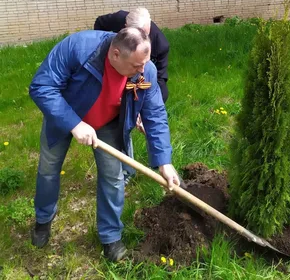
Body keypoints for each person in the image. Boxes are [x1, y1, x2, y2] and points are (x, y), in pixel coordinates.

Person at [29, 27, 180, 262]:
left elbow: (155, 114)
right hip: (64, 115)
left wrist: (164, 161)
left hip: (108, 122)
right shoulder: (79, 48)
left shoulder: (144, 70)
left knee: (113, 177)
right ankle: (43, 218)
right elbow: (41, 86)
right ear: (116, 54)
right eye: (136, 66)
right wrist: (74, 123)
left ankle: (110, 237)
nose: (143, 71)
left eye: (145, 64)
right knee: (48, 170)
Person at [94, 8, 169, 103]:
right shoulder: (117, 19)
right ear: (125, 26)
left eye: (144, 34)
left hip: (137, 77)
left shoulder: (160, 45)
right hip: (115, 62)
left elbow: (160, 78)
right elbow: (99, 24)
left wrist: (144, 105)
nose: (140, 40)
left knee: (162, 93)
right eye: (135, 37)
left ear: (149, 25)